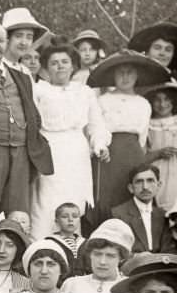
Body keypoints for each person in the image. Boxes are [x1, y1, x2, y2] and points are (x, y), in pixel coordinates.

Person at [30, 38, 110, 241]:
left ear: (73, 65)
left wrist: (99, 144)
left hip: (77, 153)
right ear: (46, 67)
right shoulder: (39, 90)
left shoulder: (84, 92)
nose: (60, 67)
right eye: (54, 63)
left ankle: (72, 251)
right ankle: (42, 246)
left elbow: (96, 124)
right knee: (46, 202)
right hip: (49, 150)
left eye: (64, 62)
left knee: (74, 202)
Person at [0, 22, 53, 218]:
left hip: (21, 151)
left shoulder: (21, 76)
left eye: (0, 40)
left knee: (19, 210)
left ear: (6, 43)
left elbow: (33, 113)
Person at [90, 50, 169, 230]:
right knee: (107, 196)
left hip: (133, 154)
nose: (125, 77)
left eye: (130, 72)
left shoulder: (144, 104)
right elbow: (96, 128)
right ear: (114, 76)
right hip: (109, 153)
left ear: (137, 76)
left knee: (133, 193)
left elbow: (142, 137)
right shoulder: (102, 100)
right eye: (121, 73)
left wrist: (139, 157)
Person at [111, 164, 176, 254]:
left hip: (161, 267)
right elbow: (115, 250)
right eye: (139, 181)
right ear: (131, 188)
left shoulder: (164, 215)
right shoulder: (118, 214)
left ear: (159, 185)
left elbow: (169, 251)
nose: (145, 186)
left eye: (150, 181)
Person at [144, 80, 177, 207]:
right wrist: (158, 153)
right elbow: (140, 158)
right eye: (157, 100)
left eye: (167, 99)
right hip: (157, 173)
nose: (162, 104)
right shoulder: (147, 125)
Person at [1, 8, 47, 75]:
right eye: (18, 36)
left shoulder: (26, 72)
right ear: (6, 38)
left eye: (29, 37)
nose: (24, 42)